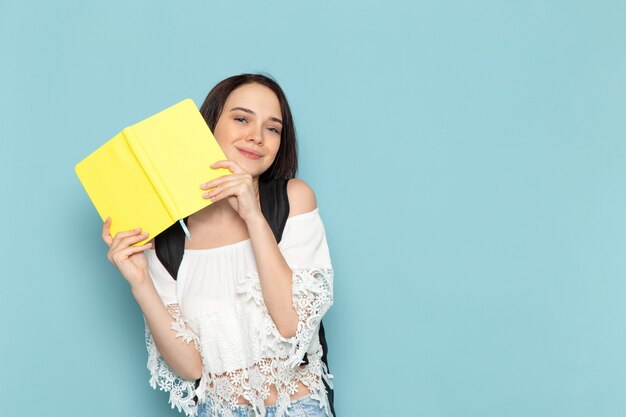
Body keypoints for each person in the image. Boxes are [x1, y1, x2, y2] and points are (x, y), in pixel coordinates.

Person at [101, 74, 335, 417]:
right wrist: (140, 284)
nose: (256, 136)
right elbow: (190, 367)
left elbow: (291, 325)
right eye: (241, 119)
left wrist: (253, 218)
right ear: (208, 126)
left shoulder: (292, 200)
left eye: (272, 128)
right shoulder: (169, 238)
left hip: (299, 407)